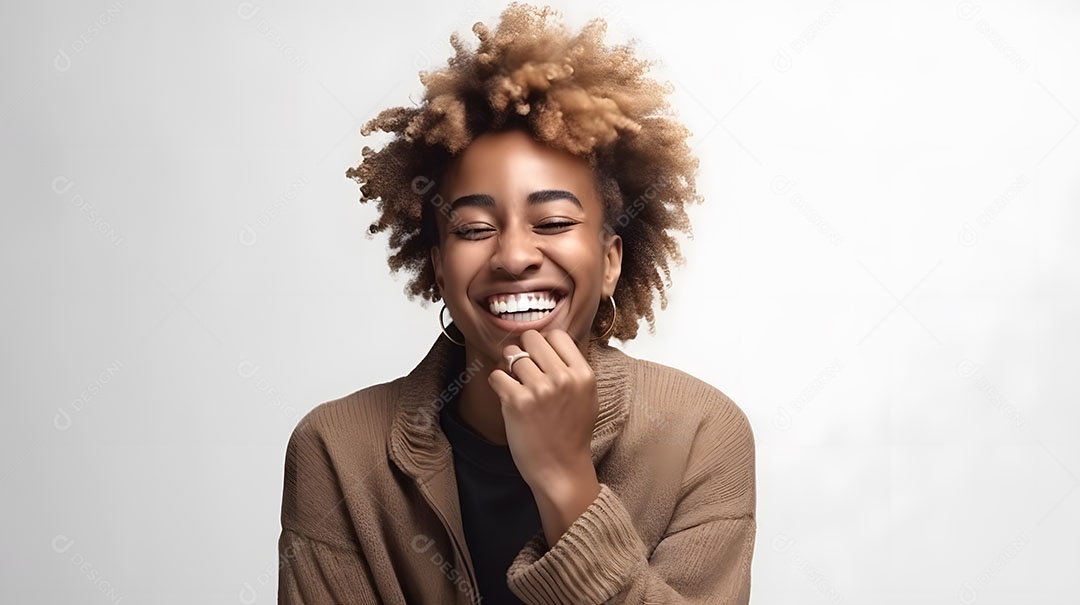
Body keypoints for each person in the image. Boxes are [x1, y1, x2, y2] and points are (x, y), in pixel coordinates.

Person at [277, 3, 756, 603]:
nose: (513, 255)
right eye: (474, 229)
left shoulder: (699, 436)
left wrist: (565, 482)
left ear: (610, 261)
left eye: (553, 221)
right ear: (439, 270)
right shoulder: (338, 450)